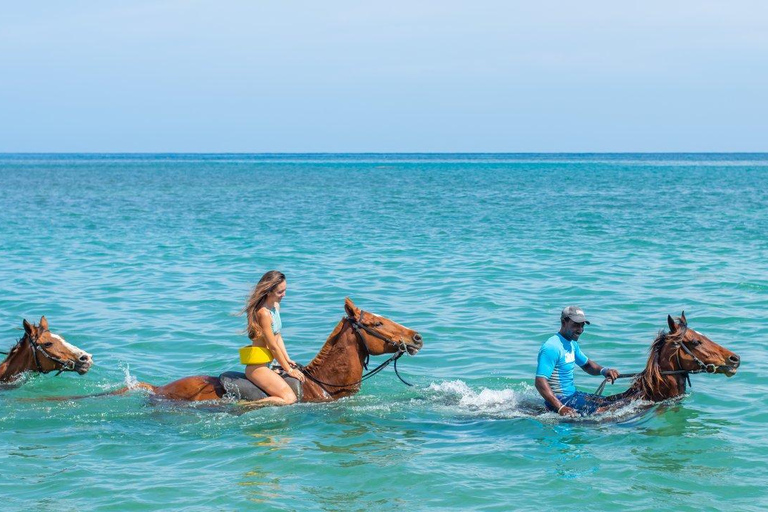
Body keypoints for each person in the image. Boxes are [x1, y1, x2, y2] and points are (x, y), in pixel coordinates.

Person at [535, 306, 620, 416]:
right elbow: (540, 381)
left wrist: (604, 371)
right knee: (609, 410)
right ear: (563, 322)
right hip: (561, 400)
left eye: (582, 325)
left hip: (573, 395)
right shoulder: (551, 347)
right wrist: (561, 408)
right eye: (576, 325)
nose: (580, 329)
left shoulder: (572, 343)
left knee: (612, 402)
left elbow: (587, 365)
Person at [240, 270, 305, 405]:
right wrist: (289, 370)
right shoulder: (263, 313)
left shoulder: (275, 306)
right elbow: (273, 347)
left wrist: (287, 360)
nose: (284, 295)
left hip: (270, 363)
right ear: (269, 292)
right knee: (289, 398)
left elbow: (278, 336)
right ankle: (245, 406)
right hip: (258, 367)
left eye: (285, 290)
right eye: (280, 292)